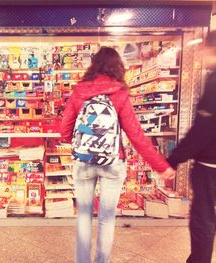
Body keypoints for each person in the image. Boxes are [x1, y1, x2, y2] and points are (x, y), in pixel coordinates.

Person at [60, 46, 175, 263]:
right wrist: (161, 165)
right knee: (106, 218)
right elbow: (136, 135)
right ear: (118, 67)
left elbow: (64, 130)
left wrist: (80, 142)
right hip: (113, 162)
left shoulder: (80, 91)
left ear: (93, 66)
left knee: (84, 215)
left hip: (83, 161)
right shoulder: (120, 92)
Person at [167, 31, 216, 263]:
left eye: (205, 49)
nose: (203, 54)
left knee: (203, 219)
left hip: (210, 166)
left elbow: (202, 129)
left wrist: (174, 159)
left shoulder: (215, 81)